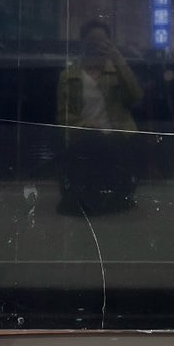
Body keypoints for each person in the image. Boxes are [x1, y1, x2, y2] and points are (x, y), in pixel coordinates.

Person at [56, 20, 143, 214]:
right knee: (92, 142)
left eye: (102, 42)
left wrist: (117, 58)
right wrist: (84, 125)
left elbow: (136, 95)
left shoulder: (116, 71)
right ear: (83, 43)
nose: (96, 47)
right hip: (83, 133)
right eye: (92, 42)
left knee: (106, 145)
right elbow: (63, 116)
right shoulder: (69, 76)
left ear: (109, 43)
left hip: (117, 133)